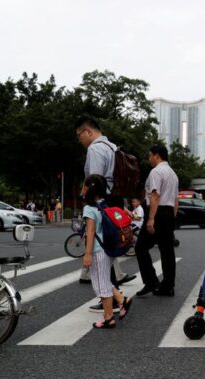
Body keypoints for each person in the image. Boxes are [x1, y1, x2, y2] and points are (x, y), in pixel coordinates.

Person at [75, 116, 136, 310]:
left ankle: (109, 300)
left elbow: (94, 181)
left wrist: (89, 201)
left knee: (101, 247)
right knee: (109, 249)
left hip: (103, 201)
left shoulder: (95, 148)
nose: (80, 140)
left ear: (88, 132)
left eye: (80, 135)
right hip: (115, 200)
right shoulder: (112, 147)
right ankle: (114, 297)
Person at [81, 174, 133, 329]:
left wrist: (87, 253)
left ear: (89, 188)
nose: (82, 189)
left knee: (101, 285)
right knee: (105, 280)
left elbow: (90, 232)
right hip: (108, 249)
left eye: (84, 186)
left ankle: (108, 318)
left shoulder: (89, 208)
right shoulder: (104, 204)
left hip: (97, 251)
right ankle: (121, 299)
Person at [135, 144, 179, 297]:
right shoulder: (173, 174)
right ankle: (168, 286)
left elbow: (155, 196)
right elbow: (176, 199)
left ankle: (151, 281)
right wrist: (172, 217)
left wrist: (151, 219)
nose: (149, 159)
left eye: (150, 155)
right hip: (168, 212)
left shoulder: (156, 172)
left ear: (156, 155)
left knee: (140, 247)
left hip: (157, 211)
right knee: (167, 251)